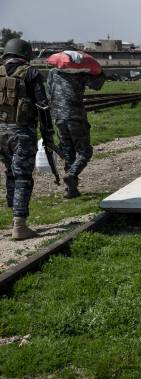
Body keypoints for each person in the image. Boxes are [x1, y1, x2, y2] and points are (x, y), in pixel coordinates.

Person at [0, 39, 55, 240]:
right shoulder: (31, 73)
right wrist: (48, 135)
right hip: (21, 134)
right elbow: (43, 107)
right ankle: (19, 226)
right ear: (26, 53)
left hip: (0, 135)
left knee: (10, 173)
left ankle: (12, 220)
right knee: (22, 176)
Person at [47, 56, 105, 198]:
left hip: (59, 118)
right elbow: (97, 85)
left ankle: (71, 190)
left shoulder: (53, 73)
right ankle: (72, 174)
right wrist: (101, 73)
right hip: (76, 117)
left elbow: (49, 93)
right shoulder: (81, 73)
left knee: (68, 152)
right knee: (85, 152)